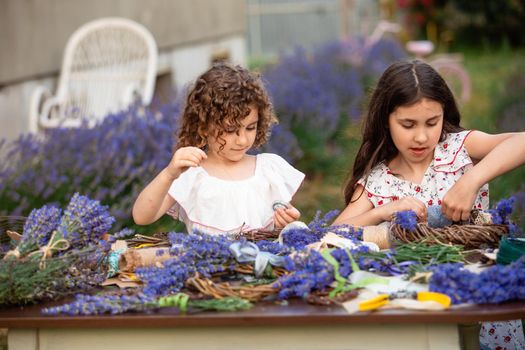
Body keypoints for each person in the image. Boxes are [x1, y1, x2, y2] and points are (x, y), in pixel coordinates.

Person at [334, 60, 525, 349]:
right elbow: (334, 232)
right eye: (407, 124)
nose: (421, 136)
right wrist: (382, 211)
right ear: (386, 120)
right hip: (419, 303)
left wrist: (470, 181)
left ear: (443, 115)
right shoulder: (377, 180)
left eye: (432, 122)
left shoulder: (460, 149)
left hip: (483, 293)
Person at [132, 62, 304, 236]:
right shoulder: (191, 174)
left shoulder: (268, 169)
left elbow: (280, 221)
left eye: (250, 127)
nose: (242, 139)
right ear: (203, 127)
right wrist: (169, 174)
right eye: (230, 130)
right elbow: (142, 217)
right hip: (210, 263)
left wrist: (287, 222)